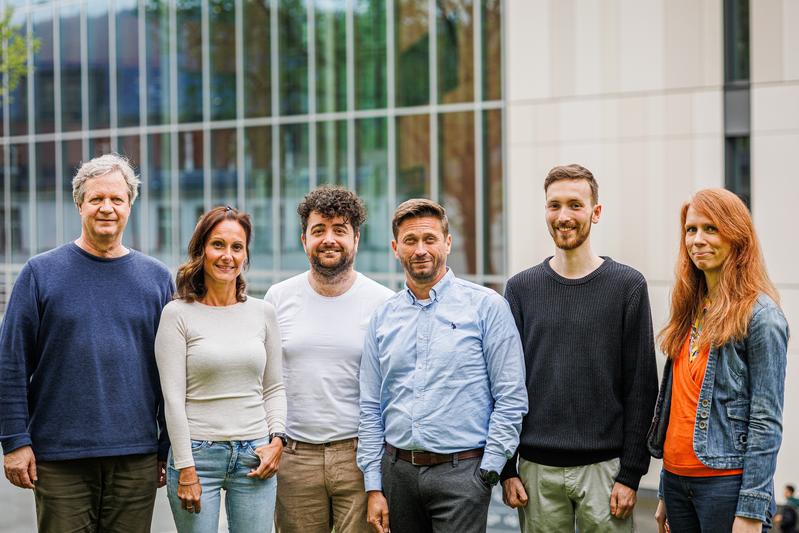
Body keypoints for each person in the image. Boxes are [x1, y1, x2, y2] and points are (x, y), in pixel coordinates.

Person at [0, 153, 174, 532]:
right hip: (59, 457)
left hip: (136, 457)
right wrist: (14, 441)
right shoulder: (40, 274)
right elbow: (11, 363)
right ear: (79, 204)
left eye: (116, 199)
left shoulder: (157, 280)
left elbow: (171, 373)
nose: (106, 208)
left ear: (130, 205)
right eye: (96, 199)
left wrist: (166, 446)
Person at [500, 164, 659, 532]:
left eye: (575, 204)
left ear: (595, 212)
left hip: (606, 472)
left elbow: (641, 387)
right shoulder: (520, 290)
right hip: (535, 472)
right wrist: (508, 467)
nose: (563, 216)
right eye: (554, 206)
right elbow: (503, 384)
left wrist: (632, 474)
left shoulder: (627, 287)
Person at [357, 198, 528, 533]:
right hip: (398, 474)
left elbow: (511, 397)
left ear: (447, 243)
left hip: (462, 475)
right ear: (395, 247)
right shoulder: (383, 318)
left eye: (430, 239)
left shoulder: (487, 308)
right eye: (410, 241)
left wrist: (488, 471)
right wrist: (374, 484)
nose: (420, 249)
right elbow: (370, 405)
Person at [648, 188, 789, 533]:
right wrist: (666, 489)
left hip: (725, 486)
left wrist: (752, 510)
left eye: (711, 229)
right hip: (679, 484)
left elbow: (765, 420)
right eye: (691, 229)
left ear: (737, 237)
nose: (697, 239)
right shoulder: (691, 308)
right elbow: (680, 408)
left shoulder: (761, 317)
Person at [266, 186, 394, 533]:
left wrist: (377, 472)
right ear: (303, 238)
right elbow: (265, 381)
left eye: (339, 230)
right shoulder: (278, 298)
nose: (329, 239)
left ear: (355, 238)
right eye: (319, 230)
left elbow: (390, 390)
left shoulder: (384, 302)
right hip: (294, 458)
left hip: (358, 458)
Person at [155, 206, 287, 533]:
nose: (227, 256)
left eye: (236, 247)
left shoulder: (263, 313)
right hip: (198, 456)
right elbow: (172, 400)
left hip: (255, 454)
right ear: (201, 251)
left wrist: (278, 440)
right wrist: (185, 468)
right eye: (218, 245)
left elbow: (274, 388)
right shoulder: (177, 314)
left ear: (245, 255)